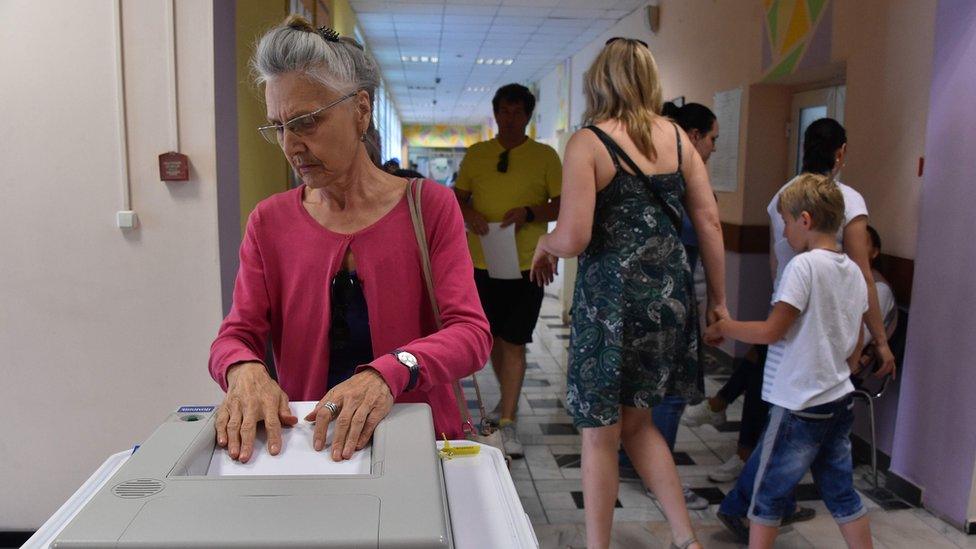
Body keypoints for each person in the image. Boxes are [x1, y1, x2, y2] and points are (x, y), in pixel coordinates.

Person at [209, 17, 491, 464]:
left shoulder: (429, 207)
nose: (291, 146)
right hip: (310, 449)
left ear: (361, 109)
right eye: (279, 127)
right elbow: (236, 335)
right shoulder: (270, 222)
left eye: (306, 122)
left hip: (418, 441)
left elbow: (471, 335)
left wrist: (393, 370)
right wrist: (243, 369)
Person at [530, 37, 728, 549]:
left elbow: (573, 235)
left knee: (600, 433)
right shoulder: (680, 140)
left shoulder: (588, 142)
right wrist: (718, 301)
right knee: (638, 426)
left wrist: (543, 243)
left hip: (612, 304)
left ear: (598, 80)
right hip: (669, 298)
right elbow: (708, 220)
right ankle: (686, 539)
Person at [685, 117, 895, 488]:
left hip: (786, 302)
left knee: (769, 387)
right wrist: (878, 341)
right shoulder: (849, 200)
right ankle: (759, 487)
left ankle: (747, 465)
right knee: (792, 409)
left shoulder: (783, 194)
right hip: (822, 320)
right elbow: (863, 273)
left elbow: (775, 264)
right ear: (841, 153)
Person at [707, 173, 874, 548]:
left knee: (767, 496)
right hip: (838, 400)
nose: (783, 233)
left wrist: (726, 326)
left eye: (785, 221)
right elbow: (856, 342)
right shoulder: (852, 271)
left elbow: (772, 331)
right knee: (842, 493)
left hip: (799, 404)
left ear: (806, 220)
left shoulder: (803, 267)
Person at [617, 101, 720, 511]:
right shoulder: (684, 177)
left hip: (629, 299)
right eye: (712, 137)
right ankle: (657, 479)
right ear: (692, 136)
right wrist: (720, 301)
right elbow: (707, 230)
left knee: (638, 391)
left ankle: (631, 460)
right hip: (671, 301)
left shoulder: (634, 164)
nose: (713, 146)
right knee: (670, 394)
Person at [454, 83, 562, 458]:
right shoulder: (477, 155)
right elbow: (457, 197)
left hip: (527, 264)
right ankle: (507, 404)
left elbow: (562, 205)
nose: (509, 119)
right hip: (481, 264)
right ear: (495, 113)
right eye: (503, 111)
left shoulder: (545, 156)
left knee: (514, 342)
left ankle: (508, 421)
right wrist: (469, 215)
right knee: (494, 342)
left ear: (528, 116)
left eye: (517, 112)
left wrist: (531, 213)